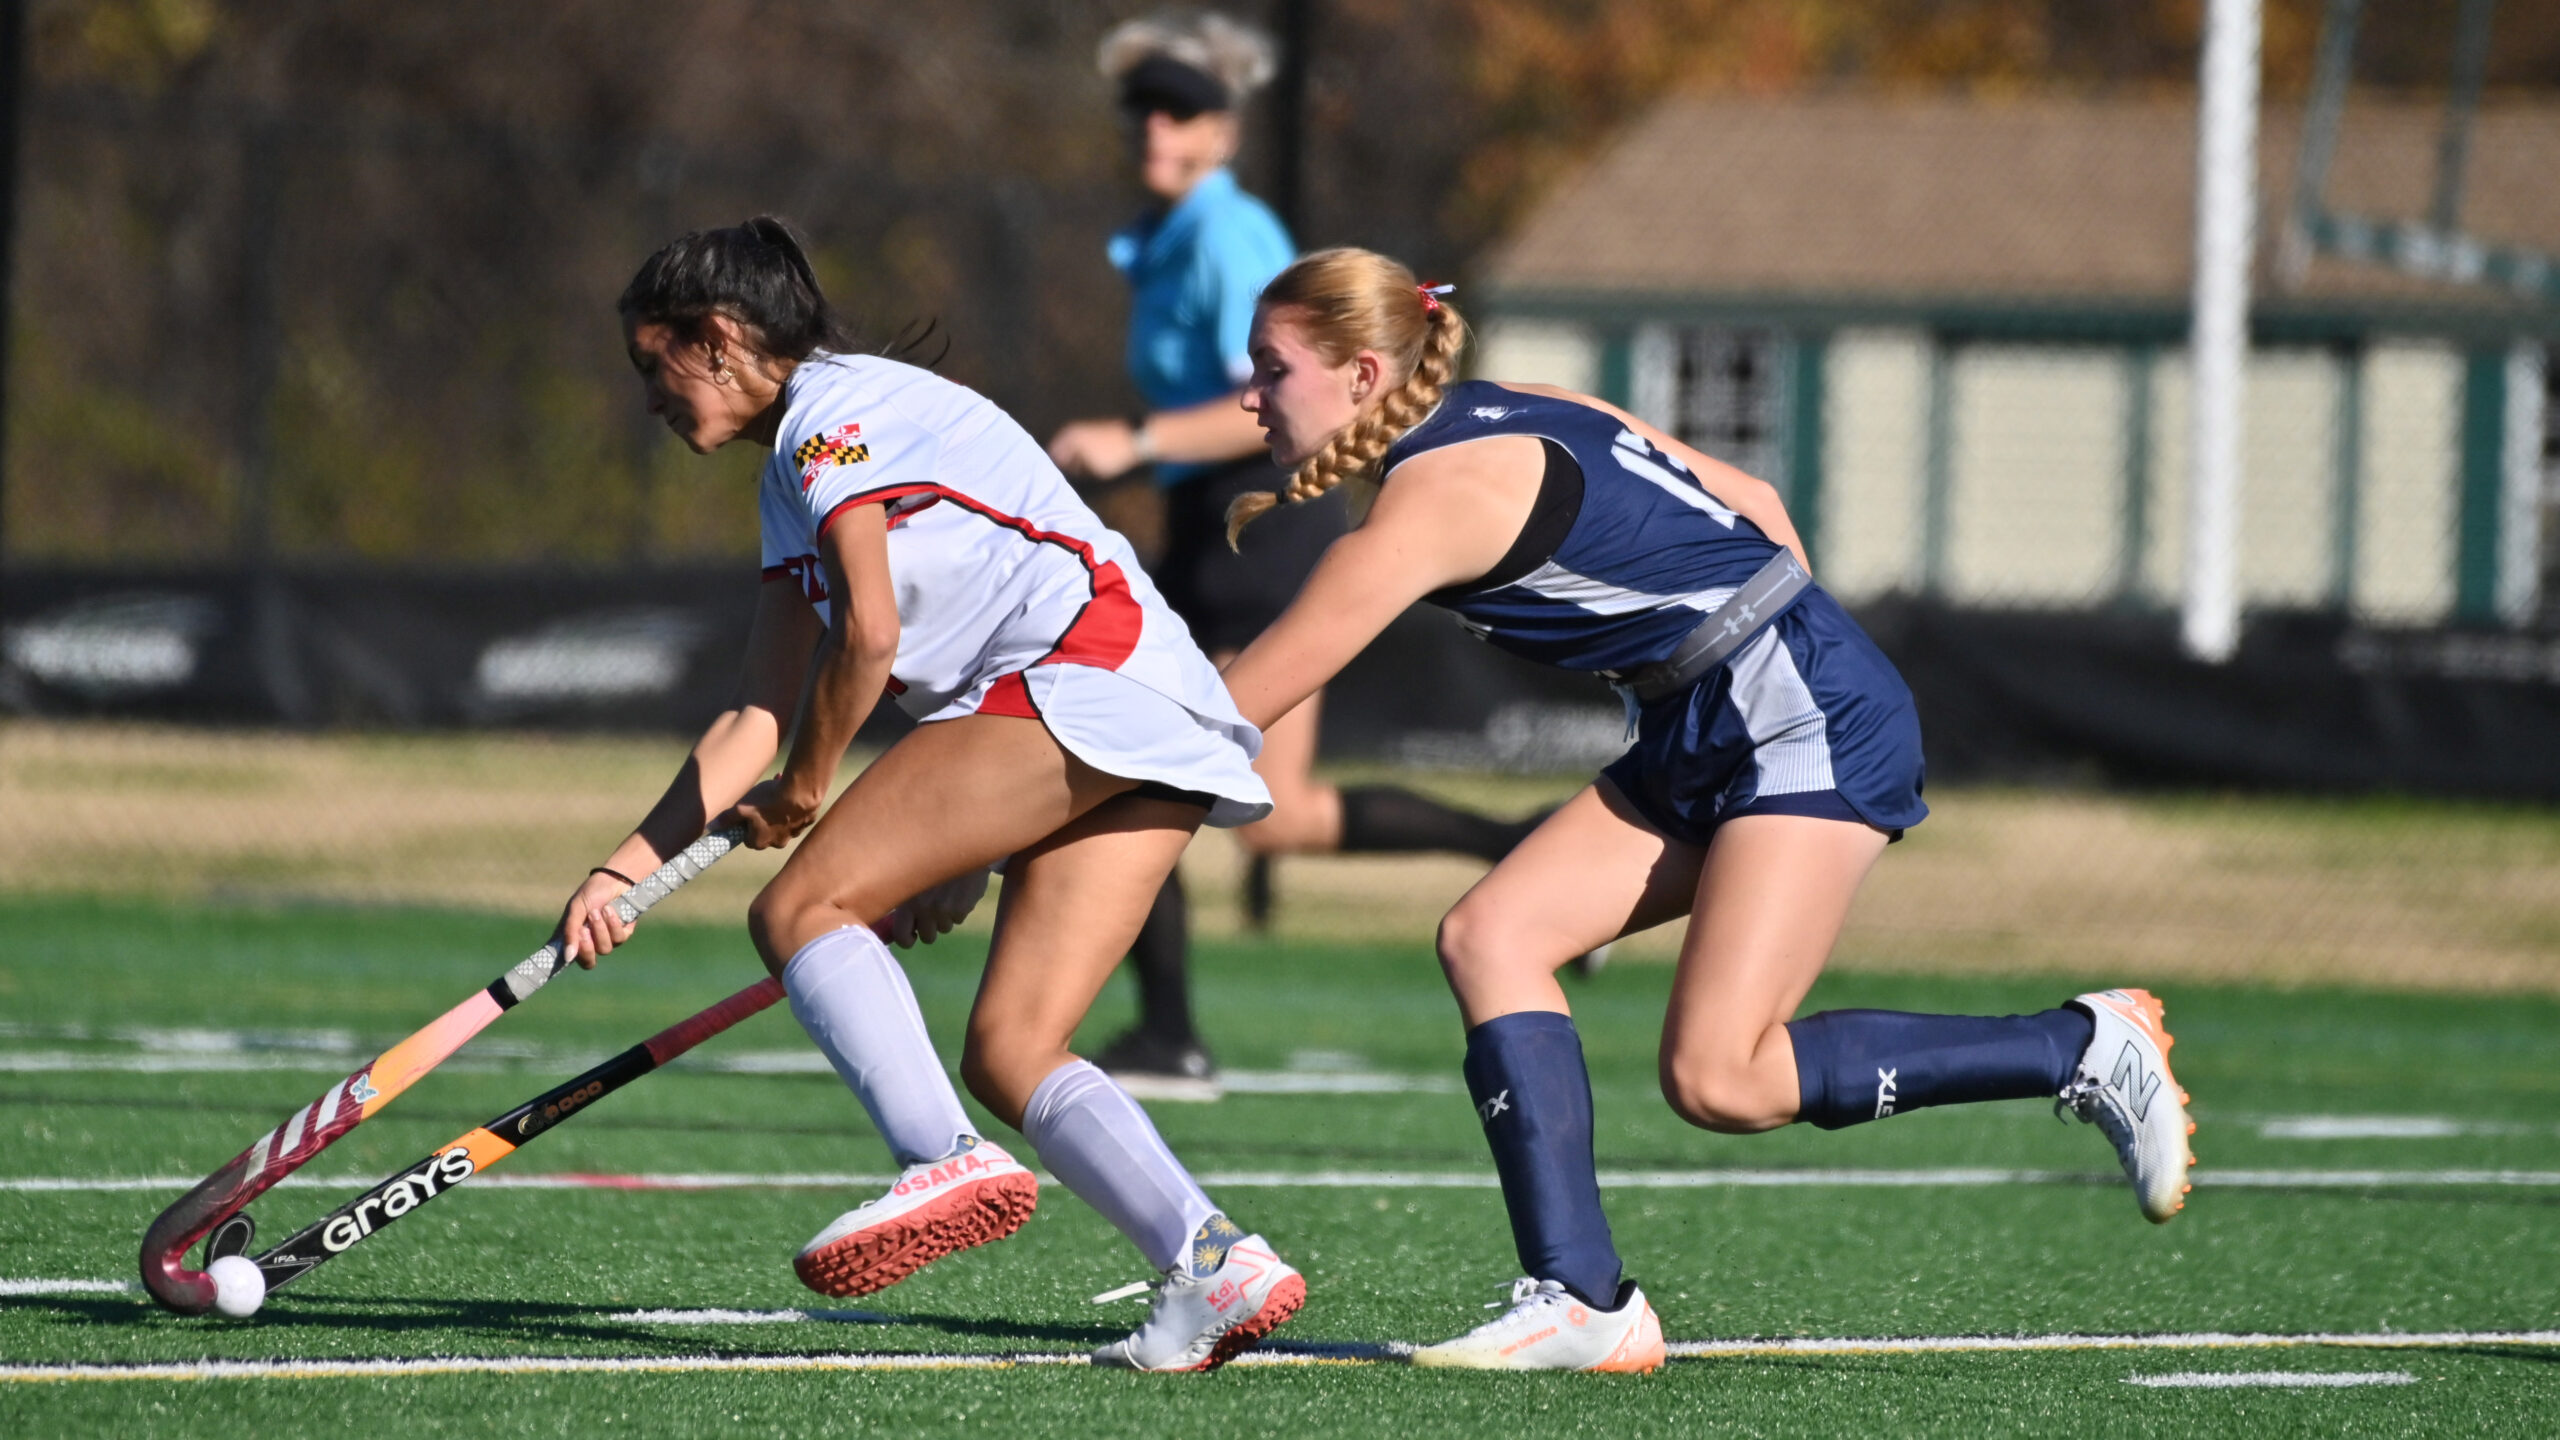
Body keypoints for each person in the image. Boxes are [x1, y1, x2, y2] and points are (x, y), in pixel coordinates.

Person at [1216, 247, 2198, 1373]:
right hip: (1717, 709)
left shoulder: (1422, 508)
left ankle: (2077, 1045)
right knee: (1492, 937)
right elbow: (1762, 506)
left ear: (1362, 373)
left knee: (1721, 1080)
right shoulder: (1522, 405)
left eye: (1269, 368)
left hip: (1796, 709)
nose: (1248, 396)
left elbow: (1226, 715)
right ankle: (1582, 1301)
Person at [555, 217, 1302, 1371]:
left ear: (715, 338)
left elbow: (871, 633)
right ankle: (1210, 1258)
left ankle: (935, 1156)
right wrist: (623, 873)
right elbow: (753, 712)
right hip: (1153, 708)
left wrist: (807, 789)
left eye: (652, 367)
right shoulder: (795, 478)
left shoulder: (828, 423)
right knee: (1014, 1047)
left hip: (1080, 678)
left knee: (800, 911)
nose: (648, 399)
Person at [1049, 11, 1562, 1088]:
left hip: (1266, 519)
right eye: (1144, 107)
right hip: (1209, 525)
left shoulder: (1228, 238)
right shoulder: (1163, 238)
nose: (1157, 127)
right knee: (1265, 818)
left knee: (1133, 761)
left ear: (1224, 131)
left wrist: (1129, 442)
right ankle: (1518, 847)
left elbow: (1268, 410)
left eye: (1182, 109)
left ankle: (1169, 1033)